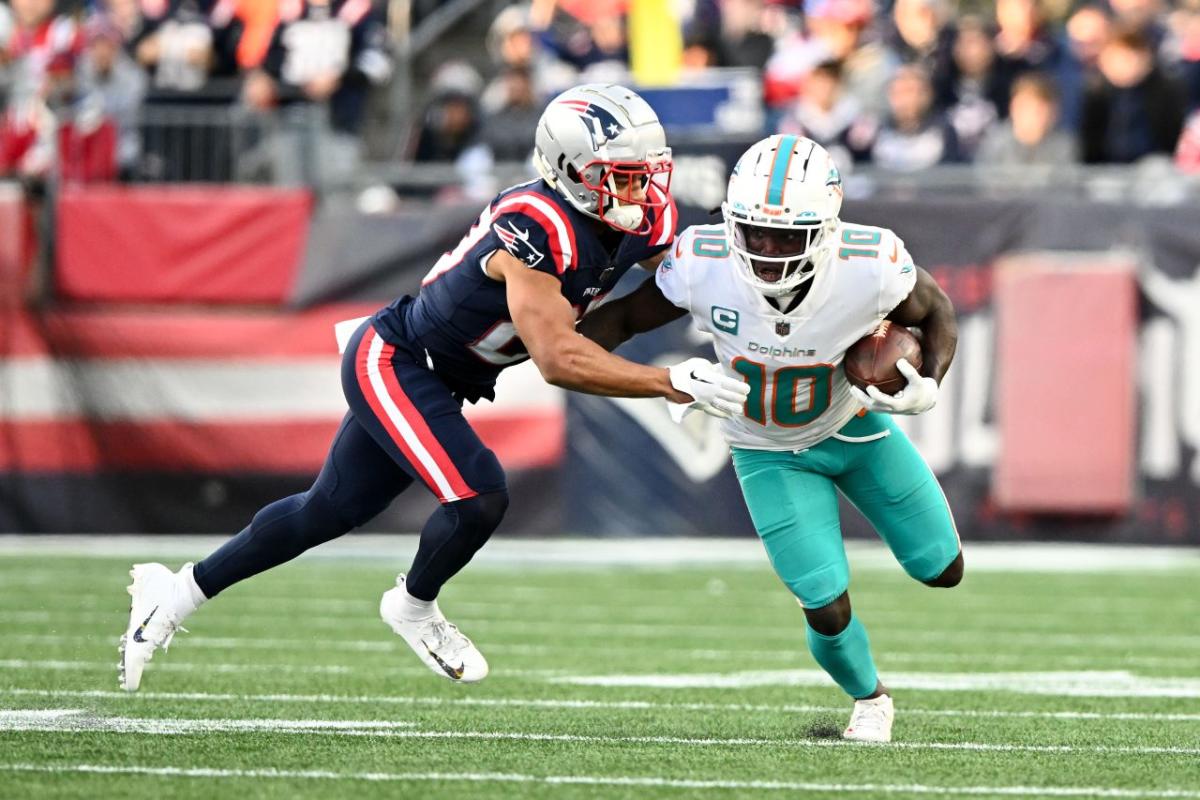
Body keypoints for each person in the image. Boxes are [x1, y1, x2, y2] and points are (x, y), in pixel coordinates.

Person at [118, 84, 749, 692]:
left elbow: (665, 293)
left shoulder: (642, 214)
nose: (642, 189)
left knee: (326, 510)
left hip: (448, 378)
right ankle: (413, 606)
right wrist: (669, 382)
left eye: (645, 172)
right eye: (622, 175)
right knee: (478, 495)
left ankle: (171, 594)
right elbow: (556, 358)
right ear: (571, 171)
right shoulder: (536, 222)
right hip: (397, 360)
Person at [578, 135, 963, 743]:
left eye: (786, 236)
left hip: (853, 427)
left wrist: (929, 384)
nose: (767, 249)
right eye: (754, 232)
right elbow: (621, 321)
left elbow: (936, 310)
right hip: (766, 451)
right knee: (824, 601)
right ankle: (870, 700)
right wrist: (533, 347)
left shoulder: (870, 263)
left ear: (828, 228)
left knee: (943, 569)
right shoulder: (703, 262)